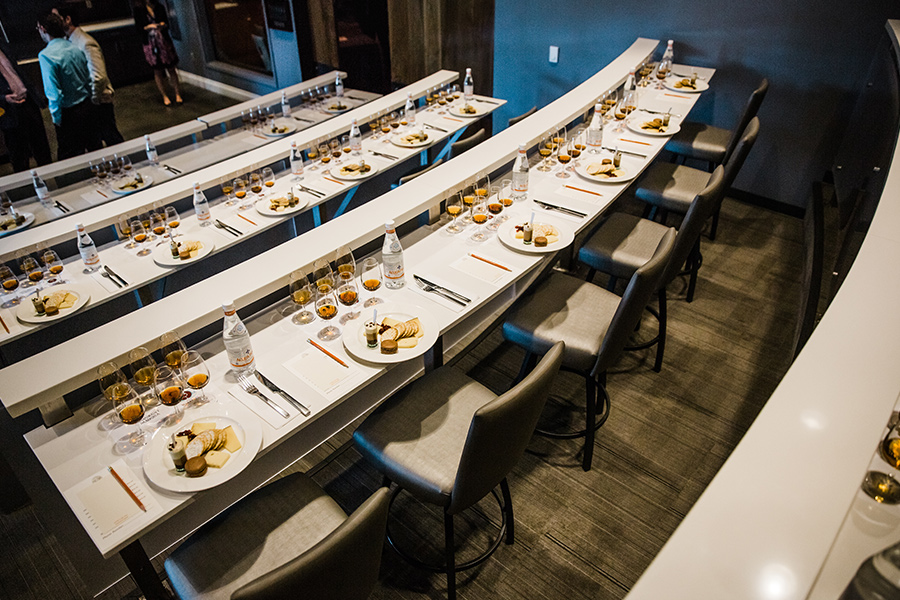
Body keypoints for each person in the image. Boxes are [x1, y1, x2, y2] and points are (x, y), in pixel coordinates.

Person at [54, 5, 124, 147]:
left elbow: (98, 76)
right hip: (90, 102)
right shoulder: (70, 41)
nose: (54, 22)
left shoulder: (85, 42)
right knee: (96, 141)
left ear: (68, 19)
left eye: (57, 18)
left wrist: (93, 99)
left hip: (99, 101)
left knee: (112, 139)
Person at [36, 12, 102, 160]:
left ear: (43, 29)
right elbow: (88, 79)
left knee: (70, 158)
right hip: (87, 106)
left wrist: (56, 118)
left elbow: (54, 93)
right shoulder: (75, 47)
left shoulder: (46, 55)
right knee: (96, 151)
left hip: (68, 114)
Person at [0, 39, 52, 171]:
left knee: (42, 149)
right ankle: (27, 190)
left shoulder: (2, 45)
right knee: (20, 158)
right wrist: (5, 98)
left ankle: (53, 183)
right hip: (9, 109)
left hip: (29, 102)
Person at [133, 0, 182, 106]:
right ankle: (165, 96)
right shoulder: (138, 10)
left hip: (164, 41)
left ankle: (177, 94)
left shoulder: (159, 7)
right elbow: (138, 28)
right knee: (158, 70)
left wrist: (162, 25)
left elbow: (167, 23)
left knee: (171, 68)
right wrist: (148, 27)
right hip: (150, 43)